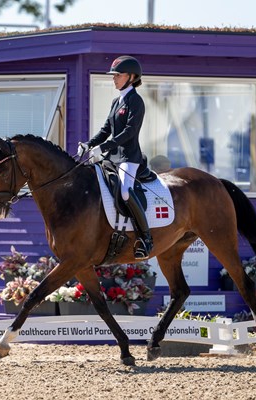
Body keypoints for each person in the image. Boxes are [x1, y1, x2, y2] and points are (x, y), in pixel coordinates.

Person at [77, 55, 153, 259]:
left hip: (128, 157)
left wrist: (104, 147)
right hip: (112, 158)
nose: (114, 79)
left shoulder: (136, 101)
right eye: (114, 75)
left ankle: (145, 239)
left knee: (126, 192)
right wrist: (89, 144)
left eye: (118, 75)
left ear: (131, 76)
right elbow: (105, 130)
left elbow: (129, 132)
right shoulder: (116, 101)